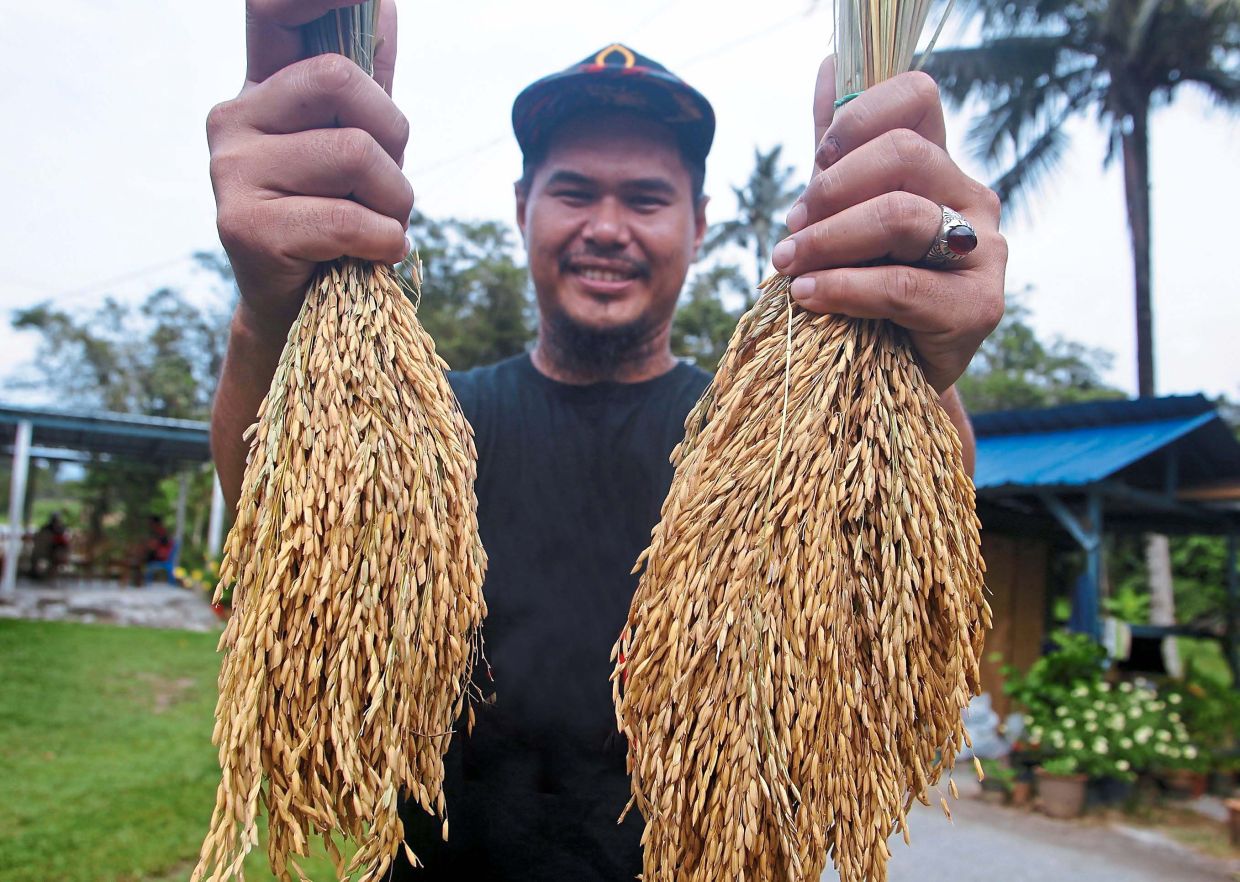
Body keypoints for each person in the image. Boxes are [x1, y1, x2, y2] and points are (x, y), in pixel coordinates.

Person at [207, 4, 1006, 879]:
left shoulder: (769, 441)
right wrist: (272, 309)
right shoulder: (428, 427)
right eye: (575, 191)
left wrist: (910, 346)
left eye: (646, 198)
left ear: (699, 222)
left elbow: (906, 556)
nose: (607, 227)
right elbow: (276, 528)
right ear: (523, 208)